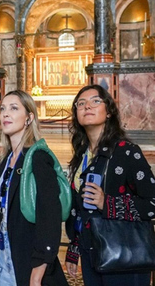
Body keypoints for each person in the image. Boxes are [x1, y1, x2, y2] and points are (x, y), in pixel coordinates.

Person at [64, 85, 155, 286]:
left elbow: (152, 203)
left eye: (96, 101)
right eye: (81, 103)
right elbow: (80, 208)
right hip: (92, 252)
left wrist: (108, 203)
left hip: (125, 254)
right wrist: (74, 248)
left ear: (109, 112)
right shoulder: (82, 156)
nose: (87, 106)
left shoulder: (126, 152)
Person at [0, 90, 68, 286]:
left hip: (28, 259)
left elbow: (50, 217)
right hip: (4, 256)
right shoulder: (6, 160)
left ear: (29, 118)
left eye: (14, 108)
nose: (6, 114)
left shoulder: (38, 157)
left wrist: (38, 272)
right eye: (3, 108)